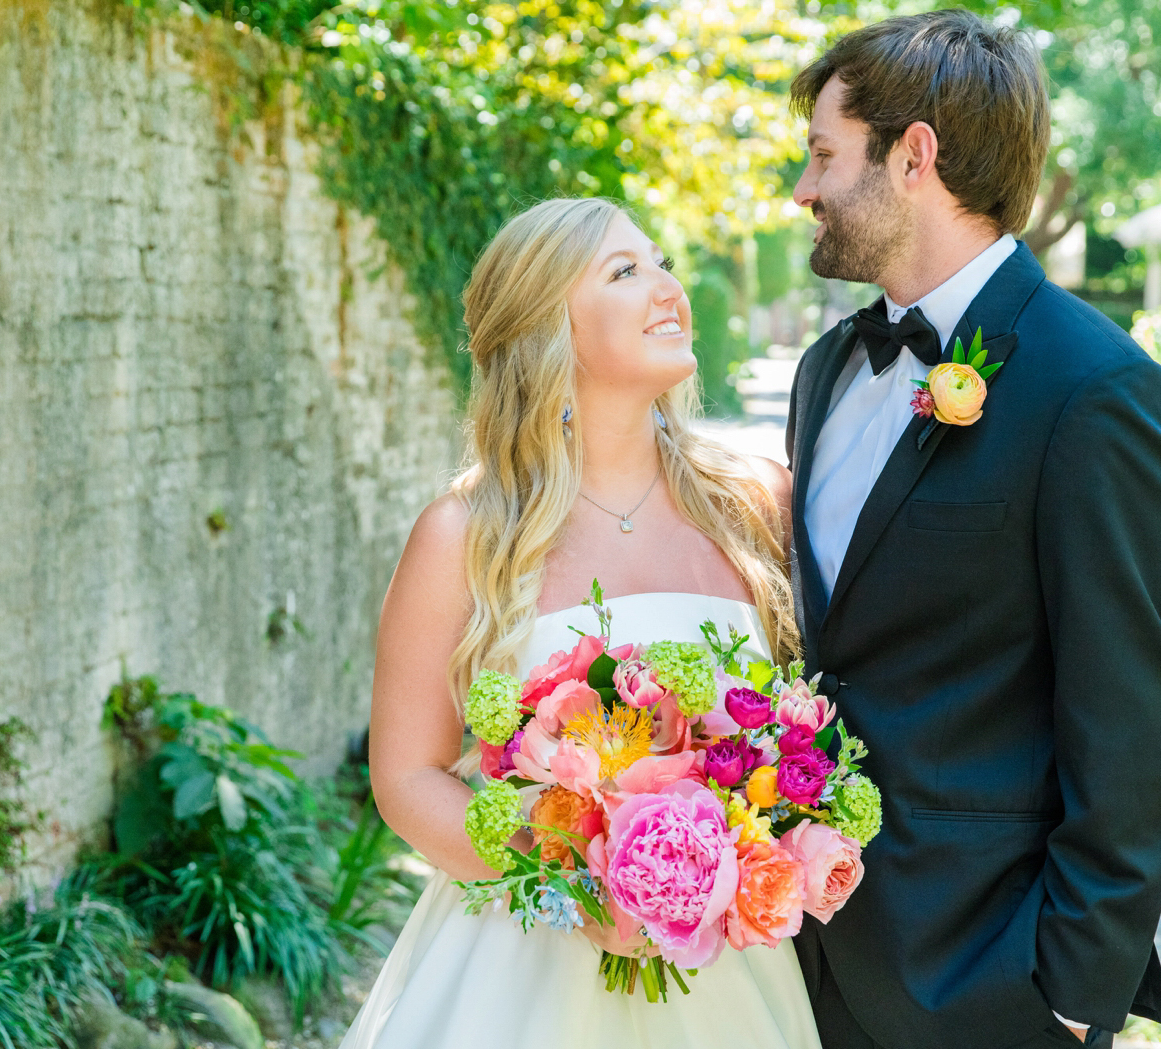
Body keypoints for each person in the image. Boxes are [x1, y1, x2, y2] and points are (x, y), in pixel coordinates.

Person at [782, 10, 1161, 1049]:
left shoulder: (1096, 391)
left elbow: (1138, 726)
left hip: (986, 981)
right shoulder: (826, 369)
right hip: (797, 956)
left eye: (825, 155)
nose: (802, 189)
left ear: (914, 155)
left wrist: (1067, 993)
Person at [339, 196, 821, 1049]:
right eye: (625, 271)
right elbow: (405, 777)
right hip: (519, 974)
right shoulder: (464, 537)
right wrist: (574, 876)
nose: (669, 287)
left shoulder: (752, 506)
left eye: (660, 259)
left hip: (729, 978)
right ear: (544, 326)